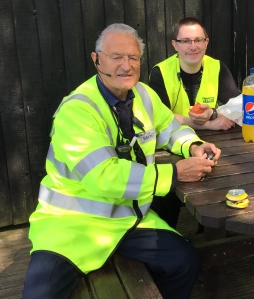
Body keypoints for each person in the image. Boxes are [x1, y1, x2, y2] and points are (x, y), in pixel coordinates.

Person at [22, 23, 221, 299]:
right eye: (116, 57)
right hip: (69, 226)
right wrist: (173, 174)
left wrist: (194, 145)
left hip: (127, 220)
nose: (126, 66)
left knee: (184, 261)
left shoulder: (144, 95)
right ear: (96, 59)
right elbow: (103, 176)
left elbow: (169, 129)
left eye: (133, 58)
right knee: (39, 295)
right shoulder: (77, 110)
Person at [148, 17, 239, 131]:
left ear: (206, 43)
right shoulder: (160, 72)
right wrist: (208, 125)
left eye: (198, 40)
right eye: (186, 41)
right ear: (175, 44)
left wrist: (212, 113)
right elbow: (159, 116)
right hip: (174, 140)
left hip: (217, 140)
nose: (193, 47)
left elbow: (238, 107)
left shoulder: (218, 68)